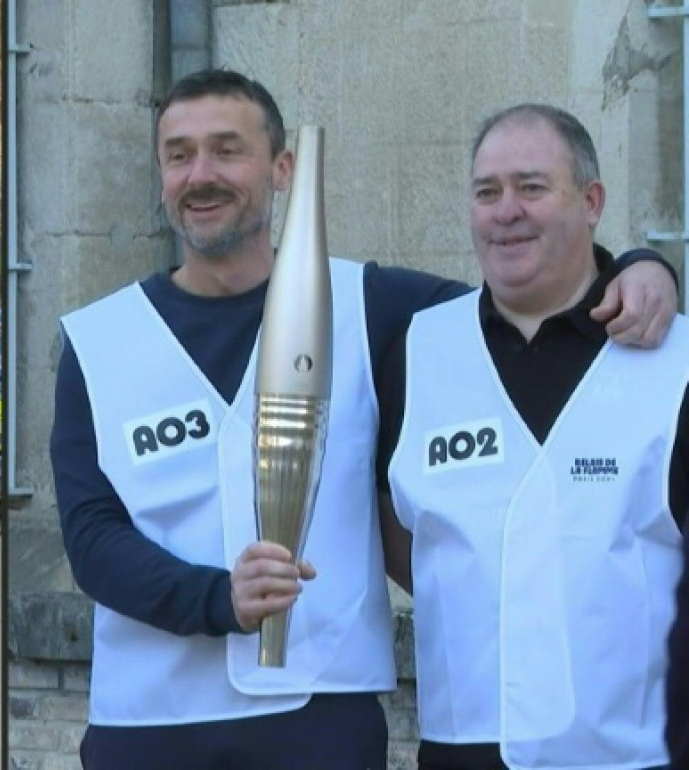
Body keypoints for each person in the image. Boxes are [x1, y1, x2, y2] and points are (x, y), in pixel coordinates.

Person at [50, 69, 678, 769]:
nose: (202, 175)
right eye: (179, 154)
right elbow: (90, 536)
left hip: (321, 720)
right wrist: (214, 598)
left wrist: (641, 266)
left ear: (283, 168)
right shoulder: (98, 341)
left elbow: (529, 289)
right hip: (148, 723)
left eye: (228, 150)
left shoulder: (375, 306)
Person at [374, 105, 688, 770]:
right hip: (463, 750)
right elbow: (405, 542)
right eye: (487, 192)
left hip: (633, 757)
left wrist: (650, 264)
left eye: (532, 187)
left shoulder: (675, 360)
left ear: (592, 201)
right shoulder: (417, 347)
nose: (505, 210)